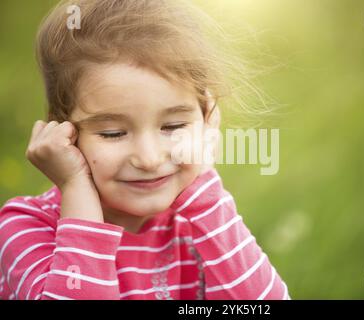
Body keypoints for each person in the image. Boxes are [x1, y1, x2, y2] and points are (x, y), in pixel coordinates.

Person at [0, 0, 290, 300]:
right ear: (64, 134)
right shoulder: (27, 227)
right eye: (113, 133)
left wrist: (204, 182)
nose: (149, 159)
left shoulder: (199, 225)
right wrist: (76, 189)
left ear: (205, 118)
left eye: (174, 127)